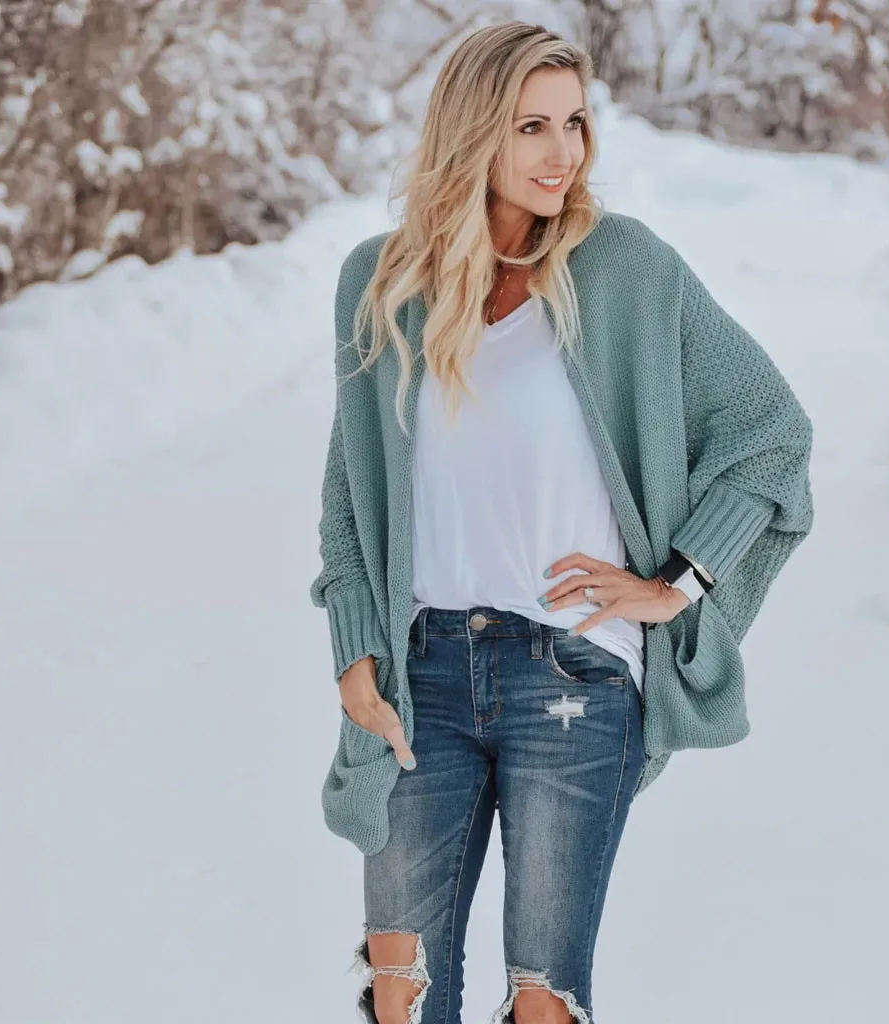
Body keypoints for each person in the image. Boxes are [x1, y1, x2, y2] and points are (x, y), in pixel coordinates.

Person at [310, 20, 815, 1024]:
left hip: (574, 678)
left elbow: (771, 432)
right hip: (420, 677)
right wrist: (354, 653)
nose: (562, 153)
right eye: (531, 125)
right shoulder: (381, 282)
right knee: (400, 996)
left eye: (575, 123)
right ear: (472, 132)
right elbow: (348, 498)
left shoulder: (625, 269)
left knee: (545, 1002)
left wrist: (677, 582)